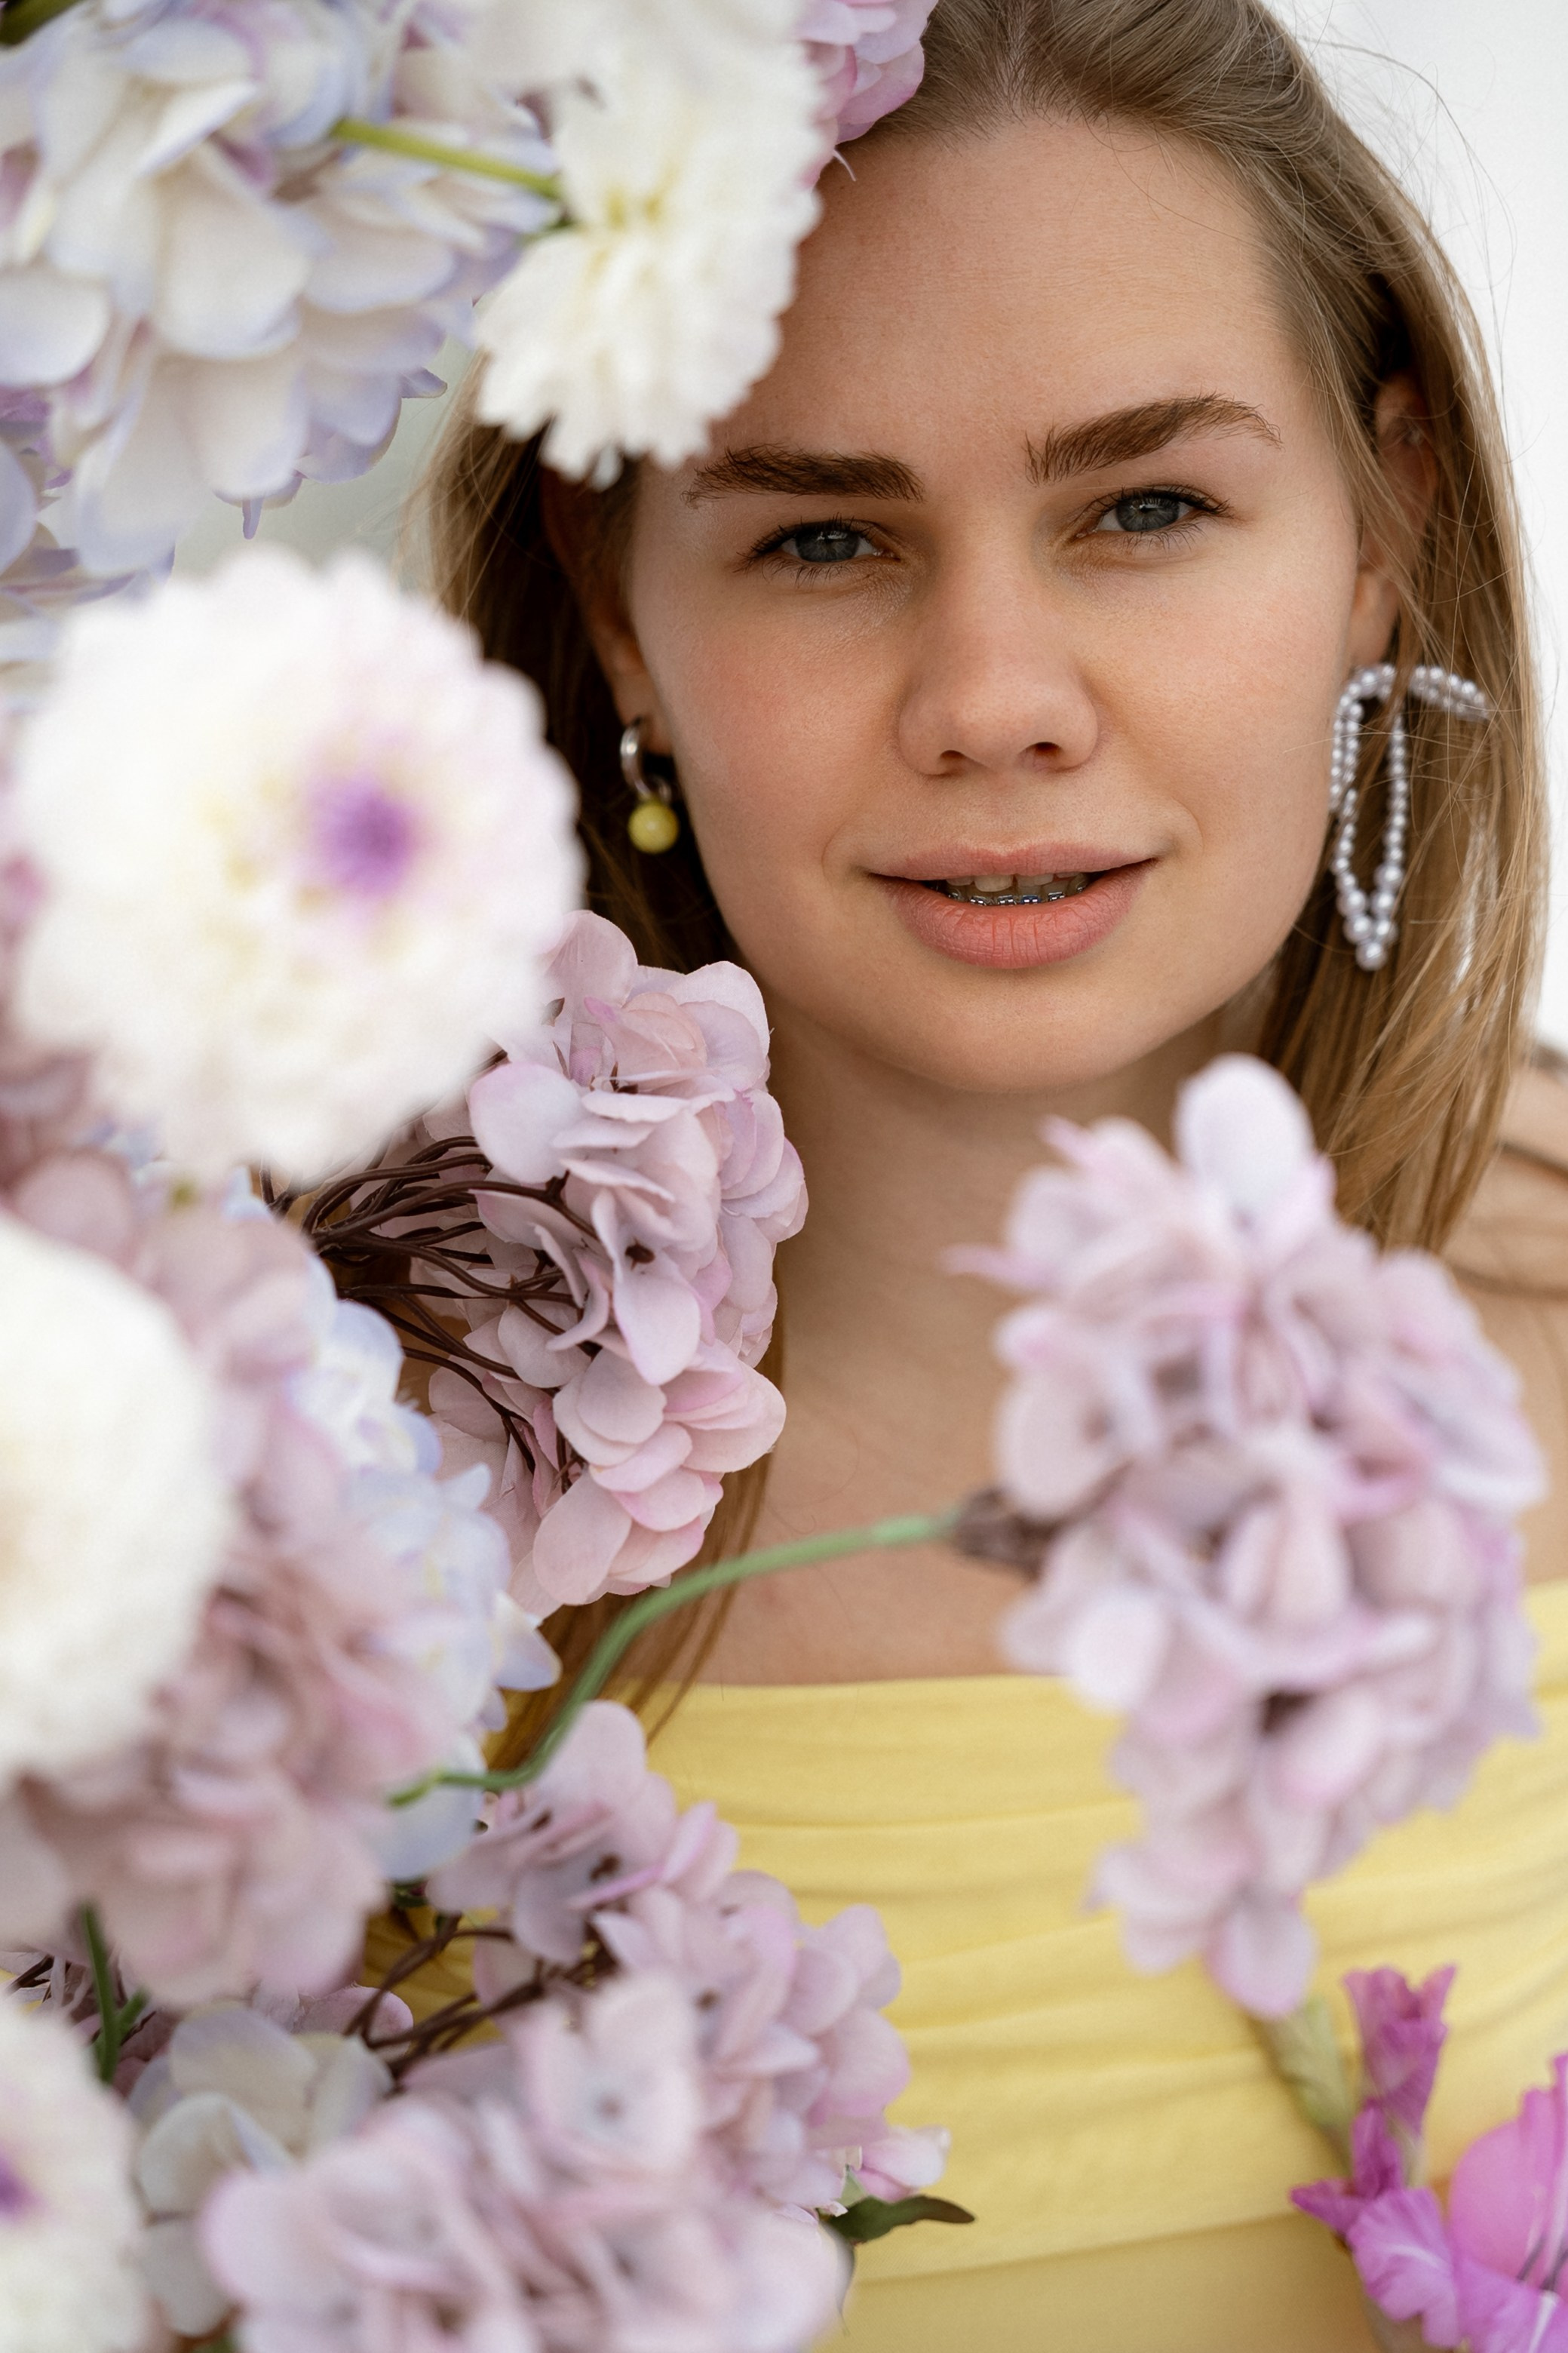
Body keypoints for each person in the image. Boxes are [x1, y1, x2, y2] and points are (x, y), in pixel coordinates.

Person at [403, 2, 1568, 2343]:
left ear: (1384, 530)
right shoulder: (338, 1527)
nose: (994, 693)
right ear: (624, 599)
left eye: (1144, 507)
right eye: (826, 534)